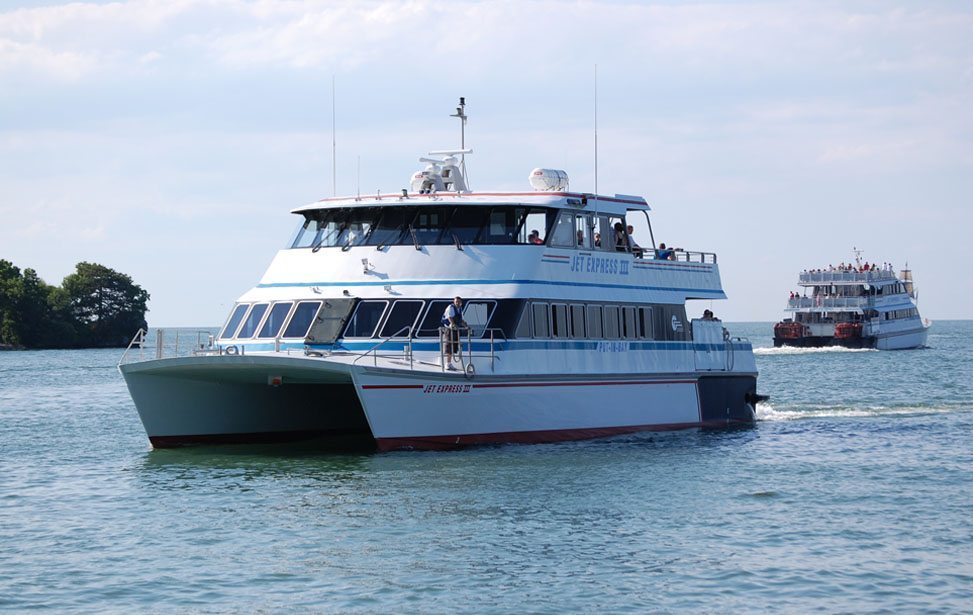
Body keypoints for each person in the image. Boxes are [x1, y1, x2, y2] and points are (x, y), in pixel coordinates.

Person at [441, 296, 465, 370]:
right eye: (456, 301)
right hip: (449, 329)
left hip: (455, 329)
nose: (457, 303)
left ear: (461, 303)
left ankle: (449, 363)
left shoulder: (460, 309)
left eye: (458, 302)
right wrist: (453, 324)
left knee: (454, 346)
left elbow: (461, 320)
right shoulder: (451, 307)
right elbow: (449, 317)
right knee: (449, 345)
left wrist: (466, 326)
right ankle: (447, 363)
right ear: (454, 302)